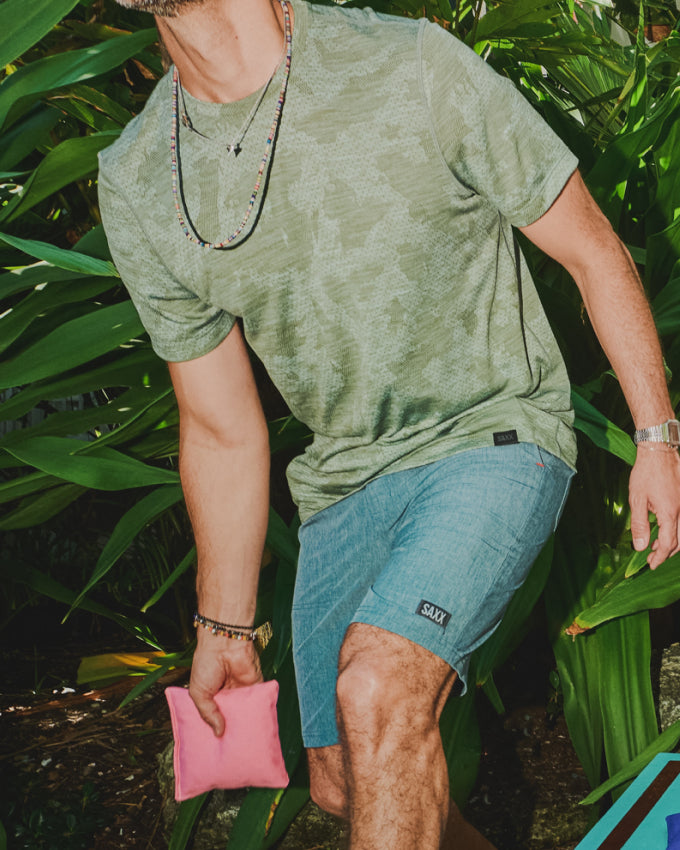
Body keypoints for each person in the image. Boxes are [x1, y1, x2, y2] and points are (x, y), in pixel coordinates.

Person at [98, 0, 680, 847]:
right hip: (343, 484)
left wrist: (658, 436)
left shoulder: (410, 64)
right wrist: (223, 629)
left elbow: (591, 247)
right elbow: (221, 424)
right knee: (342, 781)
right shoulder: (141, 174)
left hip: (492, 437)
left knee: (378, 689)